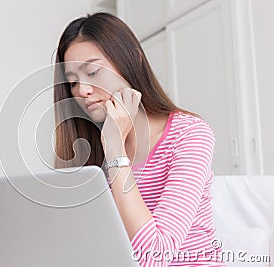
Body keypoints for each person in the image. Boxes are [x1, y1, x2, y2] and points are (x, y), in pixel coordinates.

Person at [53, 12, 225, 266]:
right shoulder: (87, 146)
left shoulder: (189, 135)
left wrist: (114, 148)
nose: (82, 90)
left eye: (93, 71)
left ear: (132, 59)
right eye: (73, 82)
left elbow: (154, 257)